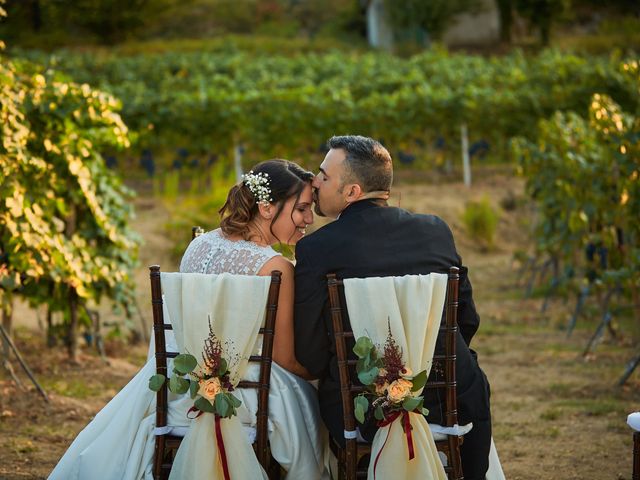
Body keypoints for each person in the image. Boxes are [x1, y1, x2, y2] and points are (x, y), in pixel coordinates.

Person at [49, 159, 327, 480]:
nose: (309, 219)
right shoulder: (276, 268)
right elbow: (285, 358)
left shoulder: (199, 244)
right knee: (311, 400)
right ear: (266, 208)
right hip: (248, 389)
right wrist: (320, 372)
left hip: (181, 385)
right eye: (302, 209)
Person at [293, 135, 492, 480]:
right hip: (454, 394)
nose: (314, 181)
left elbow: (310, 354)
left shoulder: (316, 249)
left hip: (361, 406)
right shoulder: (436, 231)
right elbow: (466, 319)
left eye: (324, 176)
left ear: (352, 191)